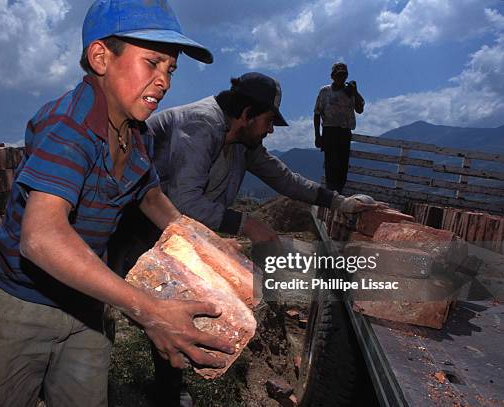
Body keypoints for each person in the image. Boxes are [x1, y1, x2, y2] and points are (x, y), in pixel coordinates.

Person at [0, 1, 235, 406]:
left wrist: (201, 243)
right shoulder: (70, 127)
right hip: (19, 308)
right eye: (152, 62)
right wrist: (148, 311)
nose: (164, 81)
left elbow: (151, 196)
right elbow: (40, 237)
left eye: (170, 69)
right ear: (101, 57)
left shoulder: (136, 131)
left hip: (86, 307)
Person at [107, 72, 381, 406]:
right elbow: (182, 201)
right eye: (267, 121)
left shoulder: (241, 141)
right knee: (130, 301)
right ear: (247, 114)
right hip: (136, 225)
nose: (269, 130)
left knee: (178, 302)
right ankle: (111, 375)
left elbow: (284, 178)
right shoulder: (200, 126)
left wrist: (337, 201)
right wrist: (247, 224)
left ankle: (167, 385)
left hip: (177, 231)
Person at [314, 62, 365, 192]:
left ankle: (338, 193)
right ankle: (332, 194)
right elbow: (317, 113)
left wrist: (355, 92)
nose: (341, 77)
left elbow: (360, 109)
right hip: (329, 132)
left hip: (344, 132)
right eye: (338, 75)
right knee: (331, 166)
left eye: (343, 75)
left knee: (342, 166)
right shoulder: (325, 91)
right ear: (332, 76)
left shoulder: (350, 91)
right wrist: (317, 135)